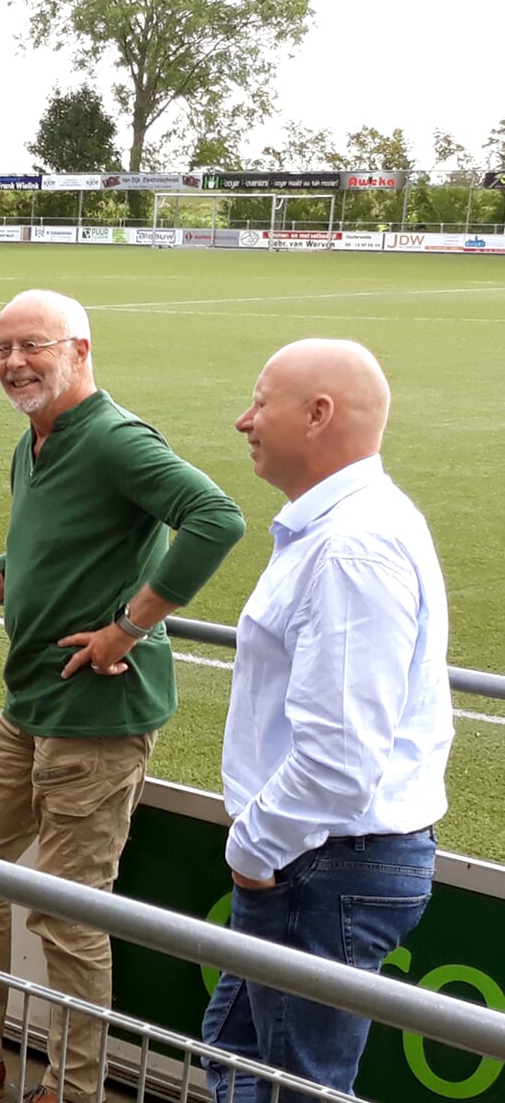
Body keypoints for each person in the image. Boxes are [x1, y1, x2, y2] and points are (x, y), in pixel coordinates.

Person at [0, 289, 245, 1103]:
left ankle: (72, 1092)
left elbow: (215, 517)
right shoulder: (34, 442)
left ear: (79, 348)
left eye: (31, 345)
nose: (12, 363)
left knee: (68, 917)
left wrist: (128, 627)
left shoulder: (112, 439)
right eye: (1, 349)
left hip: (95, 717)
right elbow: (21, 566)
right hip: (29, 706)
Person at [202, 339, 450, 1103]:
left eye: (259, 401)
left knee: (280, 1085)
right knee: (239, 1058)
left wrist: (253, 849)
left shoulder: (350, 548)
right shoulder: (349, 530)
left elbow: (338, 760)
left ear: (317, 415)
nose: (242, 420)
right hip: (322, 859)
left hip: (320, 862)